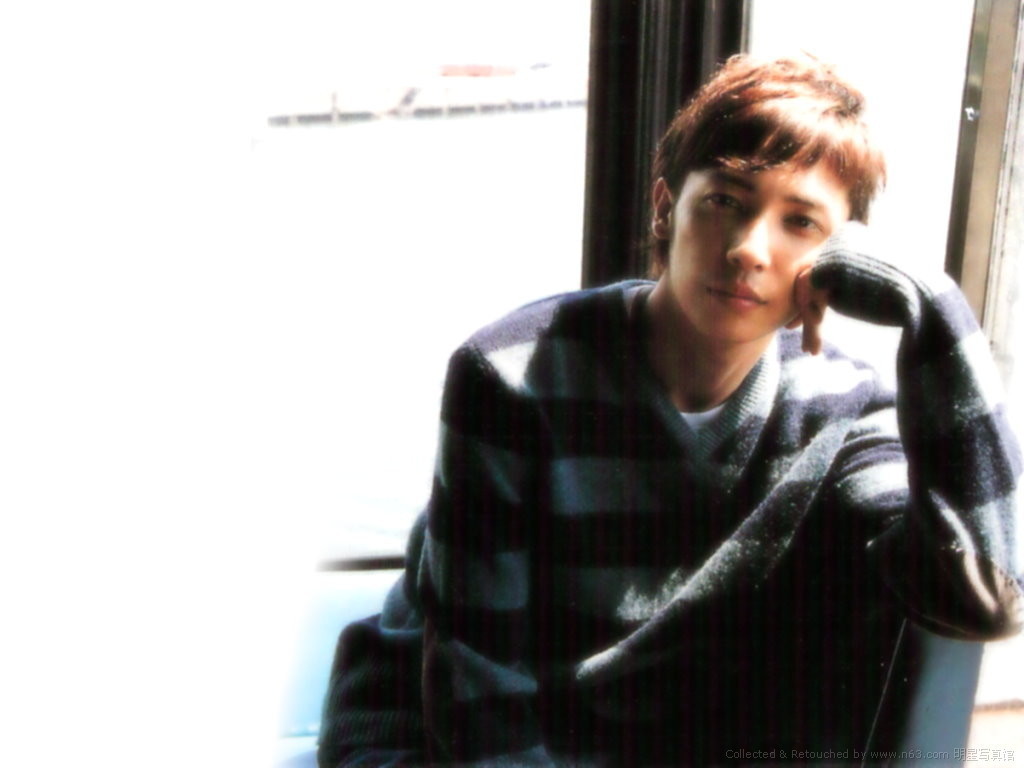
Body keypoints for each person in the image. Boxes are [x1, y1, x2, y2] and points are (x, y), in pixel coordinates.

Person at [319, 54, 1023, 767]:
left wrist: (929, 304)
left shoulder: (843, 413)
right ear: (665, 206)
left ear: (842, 257)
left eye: (800, 222)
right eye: (725, 201)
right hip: (437, 724)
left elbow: (984, 596)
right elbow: (480, 692)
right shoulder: (511, 374)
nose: (749, 249)